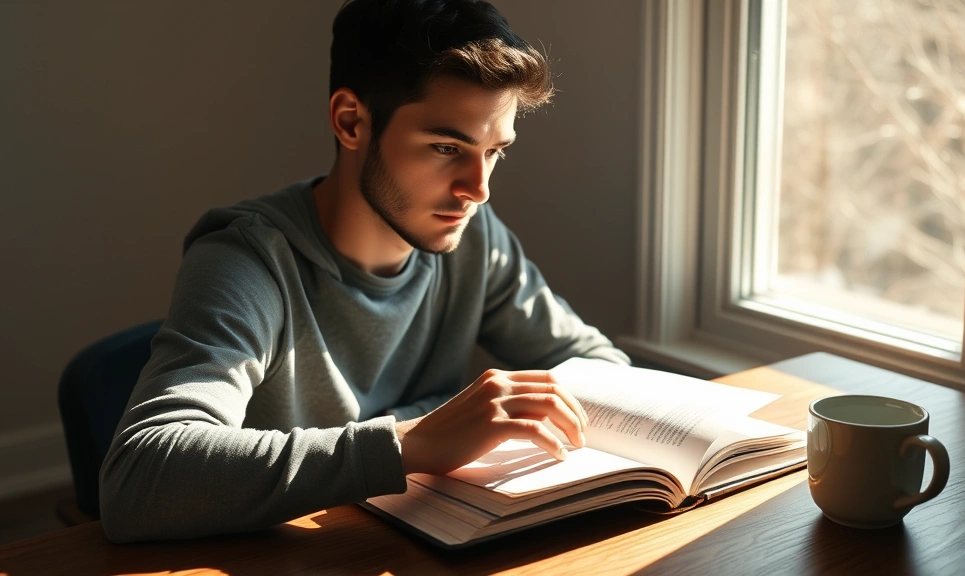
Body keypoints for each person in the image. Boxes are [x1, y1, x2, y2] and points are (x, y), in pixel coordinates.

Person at [99, 0, 629, 543]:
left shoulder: (474, 234)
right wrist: (409, 443)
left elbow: (597, 366)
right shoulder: (248, 261)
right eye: (447, 147)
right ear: (352, 121)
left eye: (495, 151)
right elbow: (140, 477)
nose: (479, 189)